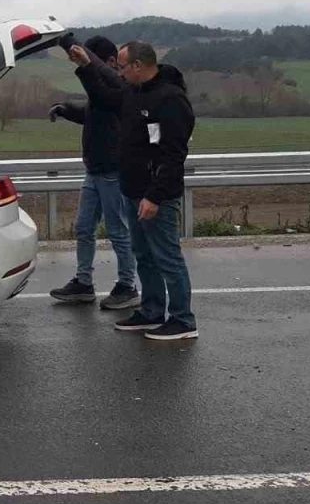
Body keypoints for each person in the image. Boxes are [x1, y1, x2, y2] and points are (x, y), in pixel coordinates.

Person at [69, 40, 198, 341]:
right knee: (144, 255)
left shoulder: (170, 100)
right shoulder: (134, 93)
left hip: (156, 196)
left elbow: (172, 155)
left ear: (138, 66)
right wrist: (86, 68)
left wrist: (154, 196)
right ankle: (152, 311)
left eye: (124, 66)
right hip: (132, 190)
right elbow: (105, 98)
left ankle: (183, 320)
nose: (120, 72)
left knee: (167, 257)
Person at [47, 35, 138, 310]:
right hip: (95, 169)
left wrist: (73, 49)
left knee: (117, 230)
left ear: (109, 62)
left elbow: (102, 98)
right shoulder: (105, 86)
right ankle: (84, 283)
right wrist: (66, 110)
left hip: (111, 170)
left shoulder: (122, 87)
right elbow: (92, 112)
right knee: (85, 228)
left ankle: (128, 286)